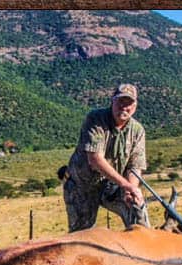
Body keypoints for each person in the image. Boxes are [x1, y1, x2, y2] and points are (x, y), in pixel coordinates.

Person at [62, 83, 150, 232]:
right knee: (82, 235)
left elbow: (135, 166)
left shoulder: (138, 131)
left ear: (135, 106)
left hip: (112, 185)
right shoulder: (95, 119)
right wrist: (125, 185)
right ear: (112, 101)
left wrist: (131, 189)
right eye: (120, 101)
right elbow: (95, 159)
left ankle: (145, 249)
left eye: (128, 103)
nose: (124, 107)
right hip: (82, 186)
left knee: (137, 210)